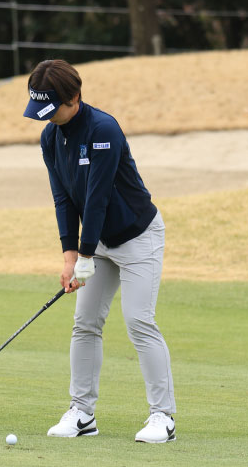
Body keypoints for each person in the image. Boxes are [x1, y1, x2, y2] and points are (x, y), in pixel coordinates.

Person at [22, 59, 177, 444]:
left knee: (139, 321)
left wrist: (86, 255)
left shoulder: (103, 130)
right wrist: (70, 255)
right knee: (85, 322)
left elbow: (97, 198)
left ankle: (163, 417)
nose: (47, 117)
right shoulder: (50, 138)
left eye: (52, 108)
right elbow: (64, 198)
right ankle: (82, 414)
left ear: (74, 97)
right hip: (98, 243)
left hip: (137, 236)